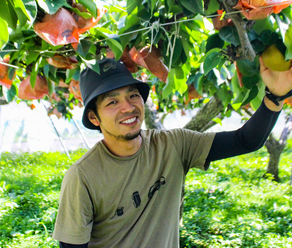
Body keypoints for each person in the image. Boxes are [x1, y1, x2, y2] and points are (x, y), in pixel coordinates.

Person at [52, 58, 292, 248]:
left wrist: (275, 96)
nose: (128, 107)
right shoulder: (83, 176)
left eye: (133, 95)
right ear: (94, 117)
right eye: (112, 102)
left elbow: (245, 140)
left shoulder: (173, 145)